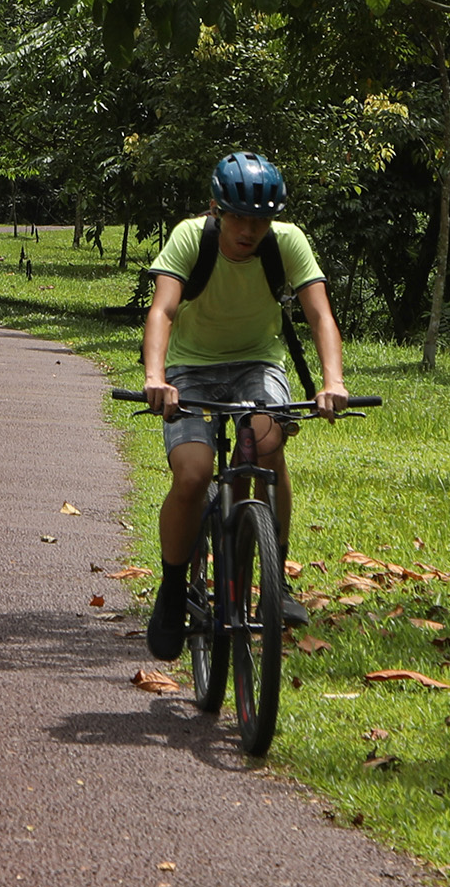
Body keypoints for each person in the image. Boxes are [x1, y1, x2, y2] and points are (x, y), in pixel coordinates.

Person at [136, 151, 347, 662]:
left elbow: (320, 316)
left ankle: (277, 578)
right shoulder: (191, 236)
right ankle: (171, 590)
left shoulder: (288, 243)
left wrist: (333, 381)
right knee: (192, 474)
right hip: (190, 369)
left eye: (261, 219)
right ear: (217, 209)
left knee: (269, 443)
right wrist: (155, 378)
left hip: (258, 364)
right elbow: (162, 310)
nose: (250, 230)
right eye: (240, 217)